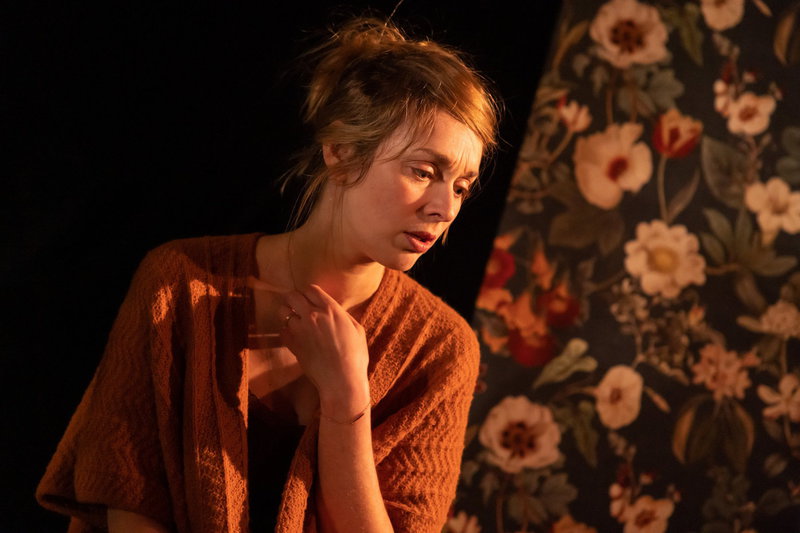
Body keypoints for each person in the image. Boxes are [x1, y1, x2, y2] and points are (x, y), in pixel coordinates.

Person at [37, 16, 498, 533]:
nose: (445, 208)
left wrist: (347, 398)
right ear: (341, 153)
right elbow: (125, 495)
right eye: (423, 171)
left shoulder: (442, 349)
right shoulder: (178, 283)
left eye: (461, 187)